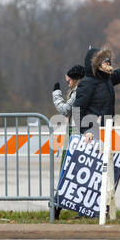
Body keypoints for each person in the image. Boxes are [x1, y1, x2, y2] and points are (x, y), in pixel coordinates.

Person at [73, 47, 120, 136]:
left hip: (106, 131)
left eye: (108, 60)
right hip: (92, 135)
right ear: (95, 64)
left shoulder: (107, 79)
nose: (108, 63)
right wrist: (86, 131)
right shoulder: (87, 83)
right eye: (104, 61)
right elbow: (76, 111)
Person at [52, 64, 85, 220]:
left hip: (76, 134)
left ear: (76, 79)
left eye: (69, 81)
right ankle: (77, 208)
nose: (68, 84)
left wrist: (56, 94)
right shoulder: (84, 89)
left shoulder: (78, 91)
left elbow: (65, 109)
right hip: (80, 132)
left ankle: (57, 207)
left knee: (67, 170)